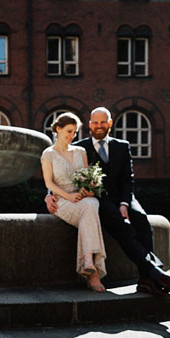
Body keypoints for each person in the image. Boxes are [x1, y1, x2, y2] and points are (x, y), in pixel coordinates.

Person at [46, 107, 170, 297]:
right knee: (122, 227)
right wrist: (48, 194)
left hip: (124, 197)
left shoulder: (122, 145)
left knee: (142, 221)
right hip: (99, 199)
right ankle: (154, 274)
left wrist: (125, 203)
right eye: (95, 122)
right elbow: (62, 173)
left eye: (103, 122)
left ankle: (146, 278)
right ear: (90, 125)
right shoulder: (80, 147)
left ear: (110, 124)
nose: (99, 126)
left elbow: (128, 179)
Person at [41, 113, 108, 292]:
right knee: (91, 207)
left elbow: (87, 177)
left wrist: (88, 189)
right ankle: (93, 273)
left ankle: (88, 263)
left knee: (91, 203)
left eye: (75, 132)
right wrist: (68, 196)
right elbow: (49, 183)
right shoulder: (48, 154)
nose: (72, 136)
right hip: (62, 201)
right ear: (58, 129)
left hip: (83, 199)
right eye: (69, 131)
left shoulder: (81, 152)